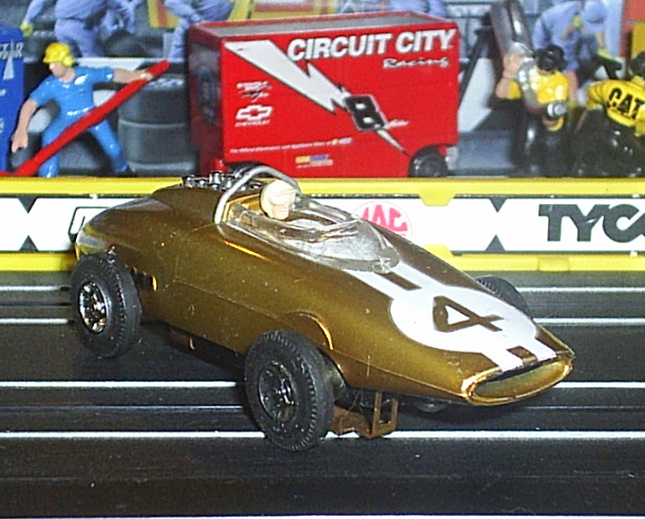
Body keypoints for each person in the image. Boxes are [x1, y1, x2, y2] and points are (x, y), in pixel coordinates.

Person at [10, 42, 152, 178]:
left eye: (55, 63)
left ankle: (122, 171)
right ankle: (47, 178)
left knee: (113, 148)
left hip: (92, 116)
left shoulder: (84, 74)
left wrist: (134, 76)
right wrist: (21, 129)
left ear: (65, 61)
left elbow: (112, 73)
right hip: (66, 118)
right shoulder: (50, 85)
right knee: (49, 138)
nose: (51, 67)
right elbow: (30, 104)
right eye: (50, 64)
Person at [495, 45, 570, 176]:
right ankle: (528, 170)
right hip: (531, 117)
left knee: (552, 154)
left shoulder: (560, 82)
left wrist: (549, 114)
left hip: (550, 123)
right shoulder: (527, 74)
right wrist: (508, 75)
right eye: (542, 63)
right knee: (526, 147)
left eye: (548, 66)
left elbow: (553, 111)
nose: (543, 69)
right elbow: (502, 94)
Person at [573, 52, 645, 176]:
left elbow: (592, 91)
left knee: (587, 159)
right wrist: (637, 132)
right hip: (623, 138)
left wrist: (594, 108)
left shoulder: (612, 86)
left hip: (602, 131)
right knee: (639, 166)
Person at [532, 0, 614, 102]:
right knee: (552, 67)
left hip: (573, 31)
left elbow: (598, 35)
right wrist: (574, 103)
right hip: (546, 38)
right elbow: (567, 66)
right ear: (578, 19)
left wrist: (602, 50)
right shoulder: (564, 28)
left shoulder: (593, 9)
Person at [20, 0, 134, 58]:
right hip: (81, 28)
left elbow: (40, 2)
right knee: (94, 61)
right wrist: (128, 30)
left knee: (70, 62)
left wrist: (28, 20)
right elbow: (124, 9)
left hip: (61, 26)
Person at [164, 0, 234, 59]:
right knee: (177, 64)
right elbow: (171, 3)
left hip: (211, 38)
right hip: (189, 35)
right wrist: (197, 20)